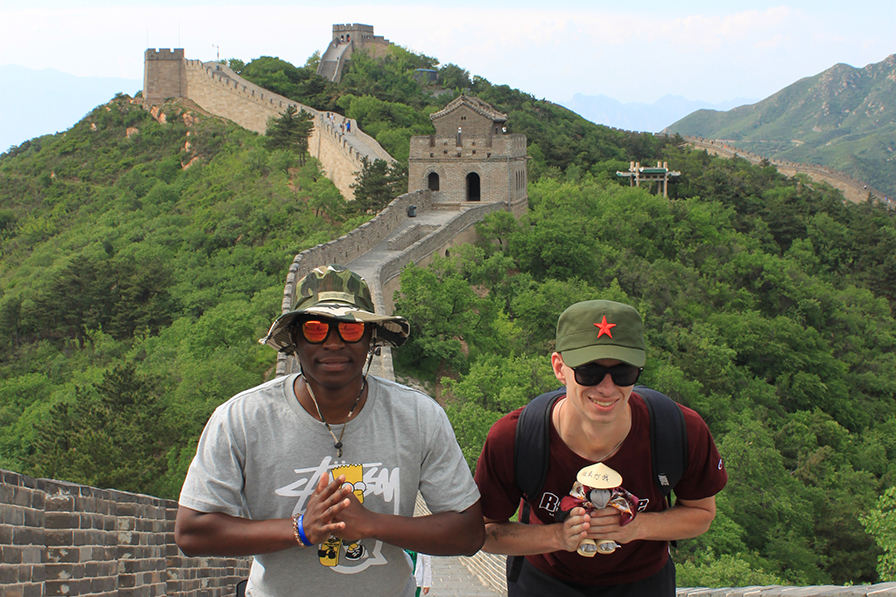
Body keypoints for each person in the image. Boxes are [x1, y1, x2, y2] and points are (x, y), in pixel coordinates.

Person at [175, 264, 484, 596]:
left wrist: (371, 524)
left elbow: (468, 533)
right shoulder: (242, 419)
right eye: (315, 329)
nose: (334, 343)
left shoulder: (418, 416)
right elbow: (192, 532)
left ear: (371, 340)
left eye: (350, 330)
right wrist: (301, 529)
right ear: (294, 339)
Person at [474, 300, 727, 596]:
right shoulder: (516, 438)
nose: (607, 388)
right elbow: (486, 532)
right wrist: (559, 536)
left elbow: (701, 514)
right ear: (559, 367)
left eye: (624, 373)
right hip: (545, 581)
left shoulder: (678, 430)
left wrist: (636, 527)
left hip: (643, 581)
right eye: (589, 372)